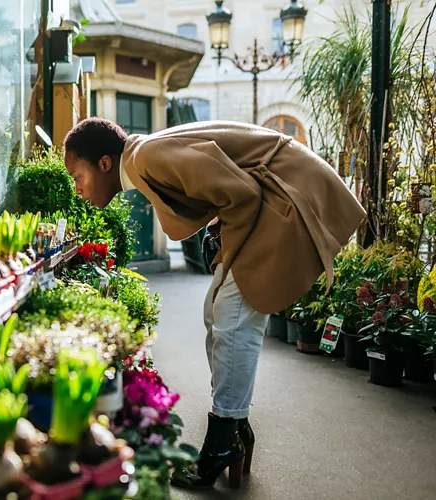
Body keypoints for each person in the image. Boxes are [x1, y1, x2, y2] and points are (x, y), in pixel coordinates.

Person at [62, 118, 365, 490]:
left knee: (233, 321)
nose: (78, 190)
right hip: (276, 194)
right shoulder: (144, 155)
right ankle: (234, 430)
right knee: (219, 316)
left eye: (78, 177)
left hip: (285, 194)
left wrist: (224, 243)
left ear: (104, 164)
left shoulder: (147, 157)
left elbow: (243, 195)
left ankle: (222, 443)